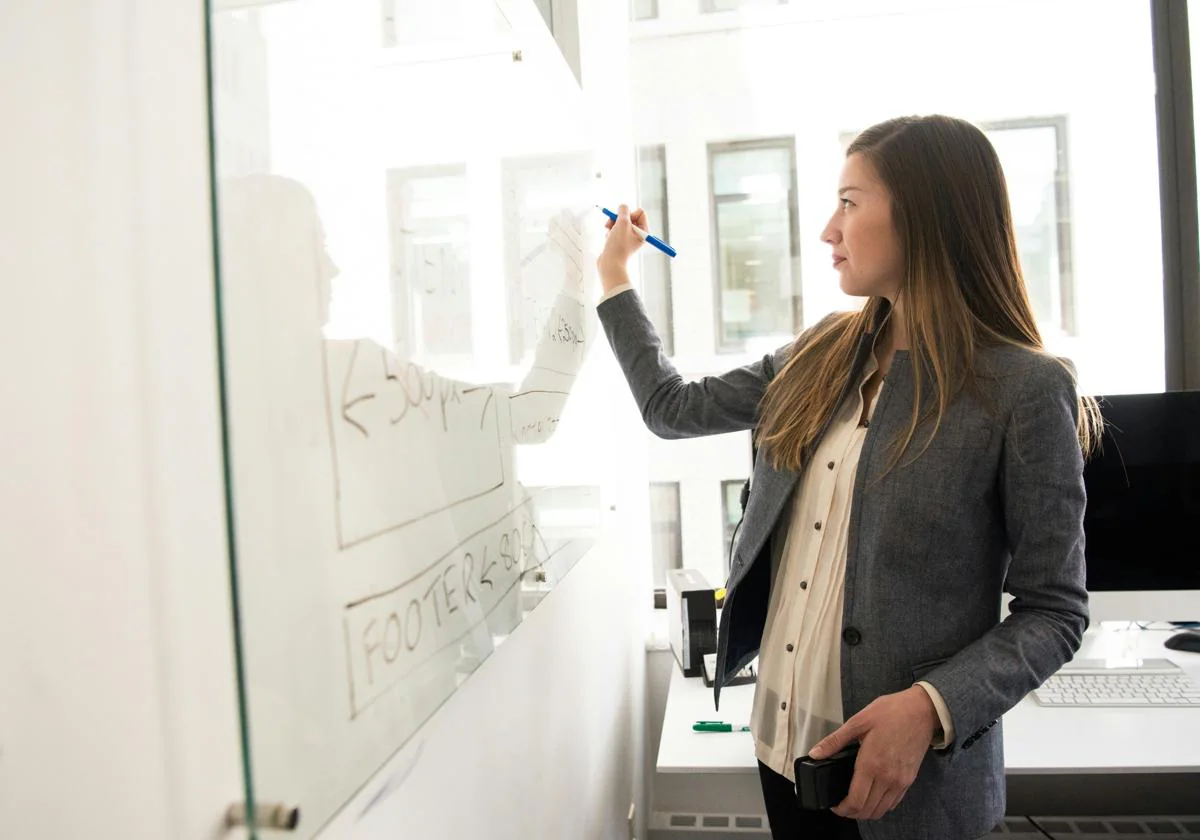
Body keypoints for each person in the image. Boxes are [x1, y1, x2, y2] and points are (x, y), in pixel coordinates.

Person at [594, 114, 1101, 840]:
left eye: (850, 202)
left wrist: (930, 706)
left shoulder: (1022, 388)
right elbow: (672, 408)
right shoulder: (822, 352)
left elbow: (1055, 611)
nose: (829, 230)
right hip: (781, 754)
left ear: (925, 215)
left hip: (909, 791)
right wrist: (614, 276)